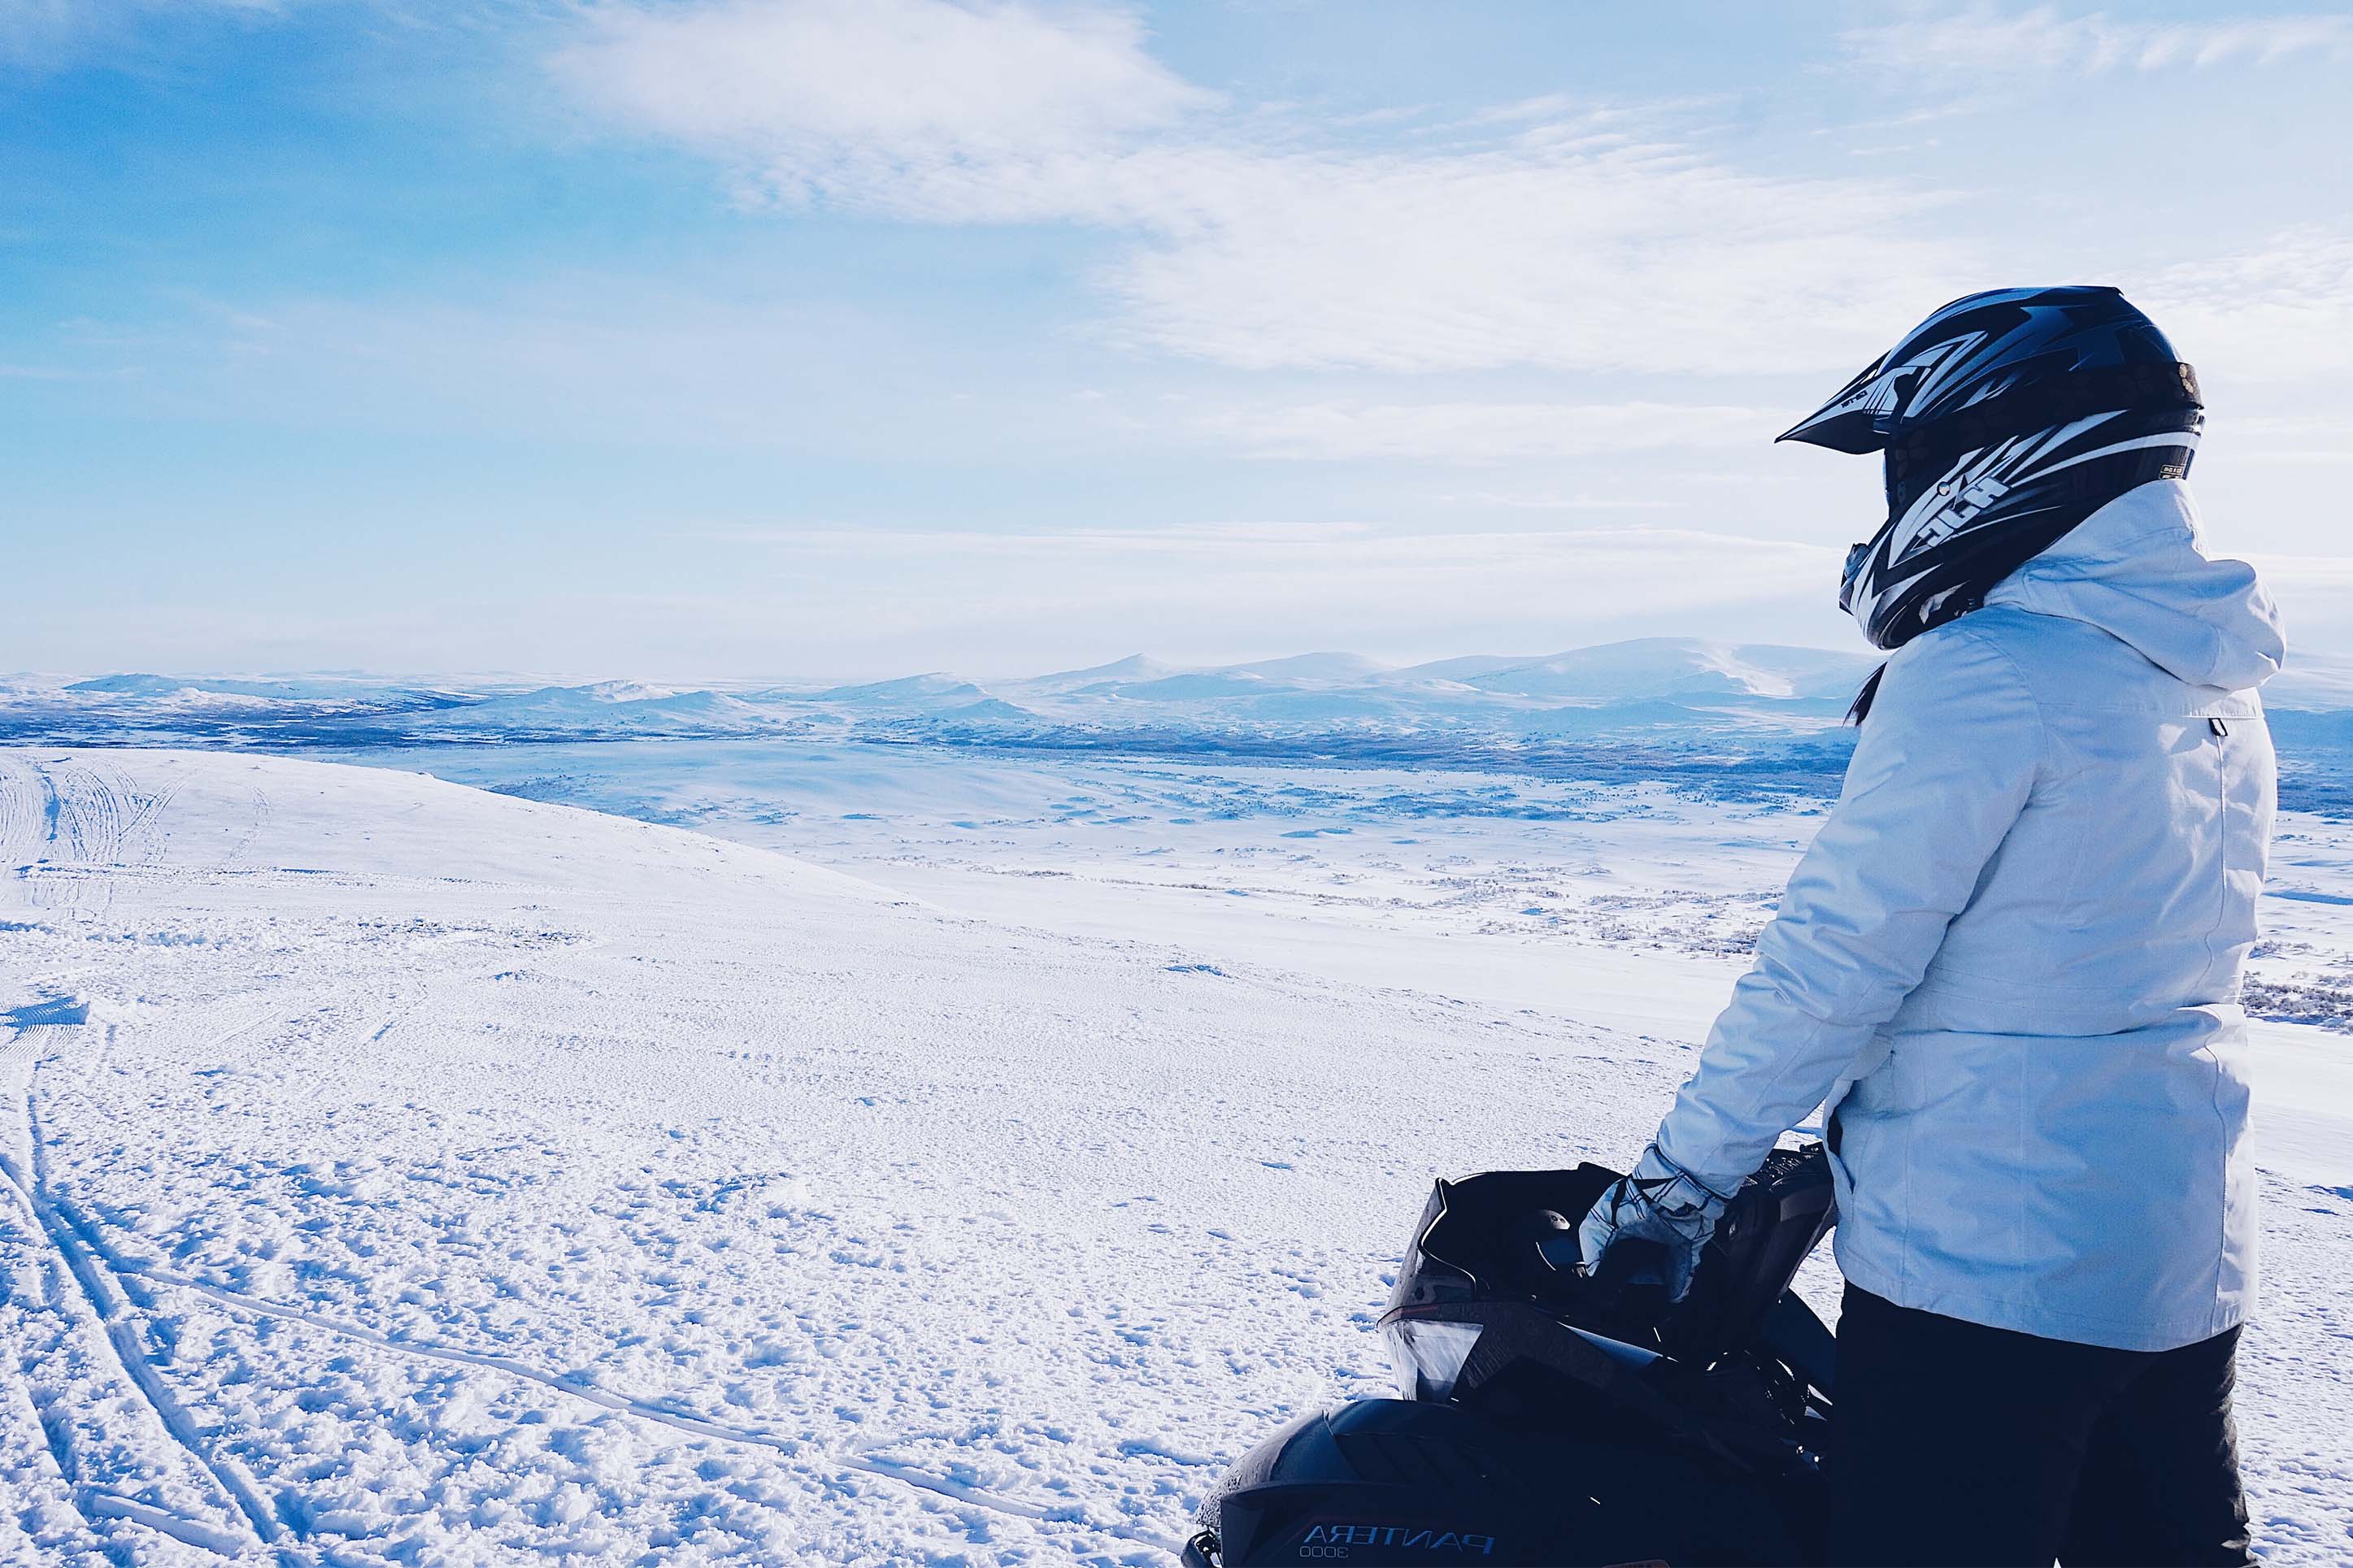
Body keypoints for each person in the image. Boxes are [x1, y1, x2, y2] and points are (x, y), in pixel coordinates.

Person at [1577, 286, 2282, 1567]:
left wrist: (1679, 1183)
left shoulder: (1986, 671)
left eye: (1912, 459)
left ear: (1999, 452)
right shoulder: (2210, 675)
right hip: (2180, 1252)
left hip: (1988, 1271)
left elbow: (1834, 962)